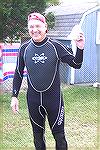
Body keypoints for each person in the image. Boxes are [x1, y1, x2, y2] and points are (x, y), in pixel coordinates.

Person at [11, 12, 85, 150]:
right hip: (33, 100)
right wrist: (14, 96)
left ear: (45, 27)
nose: (34, 29)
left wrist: (80, 48)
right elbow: (18, 73)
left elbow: (76, 63)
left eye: (38, 26)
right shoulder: (24, 49)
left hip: (54, 100)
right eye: (31, 26)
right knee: (37, 137)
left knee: (60, 137)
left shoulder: (55, 46)